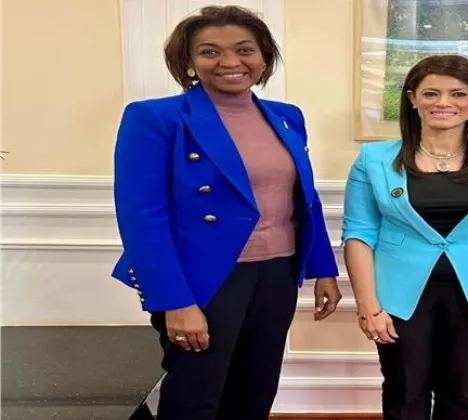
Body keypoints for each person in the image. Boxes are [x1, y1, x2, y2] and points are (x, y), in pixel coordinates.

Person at [110, 6, 342, 420]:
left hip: (278, 272)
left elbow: (304, 198)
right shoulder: (155, 118)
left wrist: (323, 269)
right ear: (189, 61)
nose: (230, 61)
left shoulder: (287, 117)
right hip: (204, 278)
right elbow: (142, 218)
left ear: (264, 57)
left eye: (245, 49)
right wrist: (175, 301)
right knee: (195, 396)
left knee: (255, 390)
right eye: (210, 51)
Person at [341, 54, 468, 420]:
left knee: (464, 393)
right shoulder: (374, 160)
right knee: (404, 391)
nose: (443, 103)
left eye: (458, 93)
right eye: (431, 93)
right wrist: (368, 306)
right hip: (399, 297)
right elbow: (359, 234)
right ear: (412, 99)